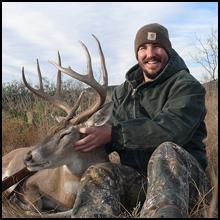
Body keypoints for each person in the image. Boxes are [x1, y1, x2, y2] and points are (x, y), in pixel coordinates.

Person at [71, 23, 211, 218]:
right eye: (143, 48)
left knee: (167, 150)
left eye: (157, 46)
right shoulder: (123, 92)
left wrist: (114, 133)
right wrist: (75, 140)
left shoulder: (187, 86)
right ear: (137, 54)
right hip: (140, 182)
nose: (150, 53)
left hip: (185, 182)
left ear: (168, 50)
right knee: (98, 173)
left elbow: (171, 129)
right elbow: (105, 134)